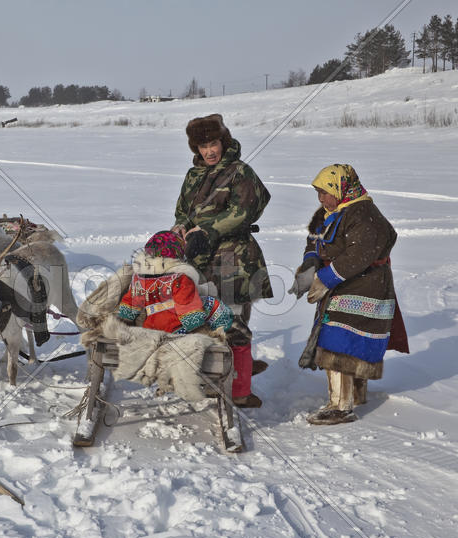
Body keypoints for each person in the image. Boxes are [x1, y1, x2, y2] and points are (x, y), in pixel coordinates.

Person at [288, 164, 409, 425]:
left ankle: (341, 406)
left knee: (338, 342)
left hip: (366, 287)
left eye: (324, 192)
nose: (321, 199)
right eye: (318, 193)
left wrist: (325, 278)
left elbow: (359, 255)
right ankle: (354, 393)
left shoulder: (363, 214)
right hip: (346, 286)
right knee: (345, 339)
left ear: (340, 189)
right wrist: (310, 265)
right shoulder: (333, 211)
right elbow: (315, 241)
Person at [171, 114, 272, 407]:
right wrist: (180, 226)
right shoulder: (193, 176)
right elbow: (182, 211)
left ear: (223, 141)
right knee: (201, 319)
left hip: (234, 259)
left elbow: (245, 210)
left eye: (213, 143)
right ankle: (214, 374)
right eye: (203, 146)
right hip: (199, 258)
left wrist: (208, 228)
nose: (209, 151)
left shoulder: (240, 172)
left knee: (234, 322)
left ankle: (240, 390)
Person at [117, 231, 233, 336]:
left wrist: (124, 323)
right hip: (175, 329)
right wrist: (200, 331)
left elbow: (130, 304)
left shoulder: (139, 278)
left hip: (150, 327)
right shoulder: (179, 278)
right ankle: (222, 333)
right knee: (213, 304)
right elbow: (188, 306)